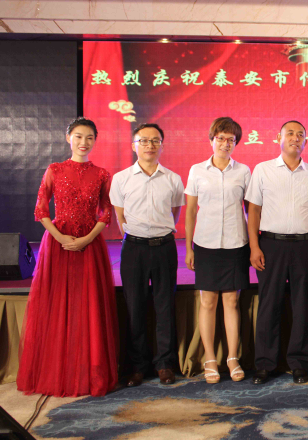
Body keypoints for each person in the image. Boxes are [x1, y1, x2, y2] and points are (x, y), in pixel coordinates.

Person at [17, 117, 118, 397]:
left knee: (89, 304)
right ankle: (56, 372)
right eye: (78, 136)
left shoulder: (102, 174)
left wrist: (86, 239)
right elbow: (41, 210)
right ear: (68, 138)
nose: (84, 142)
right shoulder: (55, 169)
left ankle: (88, 374)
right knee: (58, 303)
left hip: (90, 244)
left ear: (95, 141)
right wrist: (61, 238)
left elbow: (106, 213)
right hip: (58, 244)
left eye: (89, 138)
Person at [245, 120, 308, 385]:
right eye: (289, 133)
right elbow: (254, 210)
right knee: (269, 305)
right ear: (278, 137)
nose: (295, 138)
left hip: (304, 246)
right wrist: (254, 246)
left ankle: (299, 363)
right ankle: (264, 364)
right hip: (271, 245)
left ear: (306, 141)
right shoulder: (263, 170)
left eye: (300, 134)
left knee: (302, 306)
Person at [110, 123, 185, 387]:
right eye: (143, 140)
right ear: (134, 146)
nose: (149, 145)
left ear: (162, 145)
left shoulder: (173, 179)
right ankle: (137, 366)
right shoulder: (121, 179)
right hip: (134, 249)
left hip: (164, 247)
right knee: (135, 306)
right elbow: (120, 216)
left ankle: (165, 364)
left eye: (155, 141)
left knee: (165, 306)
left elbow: (174, 214)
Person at [185, 117, 250, 384]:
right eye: (220, 138)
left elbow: (251, 210)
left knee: (232, 302)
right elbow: (190, 211)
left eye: (230, 140)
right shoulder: (197, 170)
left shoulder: (243, 171)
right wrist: (188, 248)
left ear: (236, 143)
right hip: (206, 244)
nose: (225, 144)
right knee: (208, 302)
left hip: (236, 243)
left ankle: (232, 357)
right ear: (211, 139)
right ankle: (210, 358)